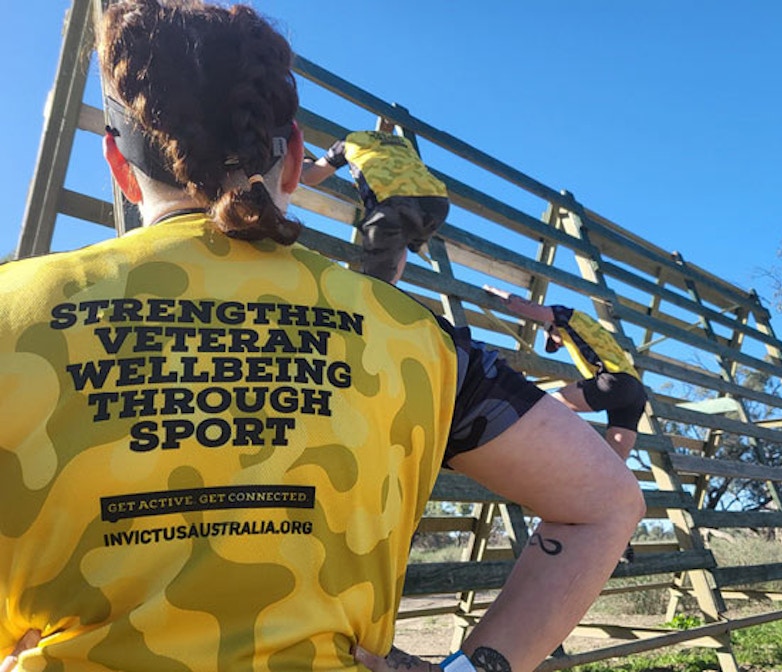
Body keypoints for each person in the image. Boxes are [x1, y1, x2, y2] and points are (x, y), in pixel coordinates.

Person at [0, 2, 644, 671]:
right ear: (293, 155)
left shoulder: (11, 311)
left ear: (116, 160)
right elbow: (605, 503)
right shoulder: (416, 339)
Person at [483, 287, 649, 462]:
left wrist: (496, 291)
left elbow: (528, 307)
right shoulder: (592, 329)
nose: (557, 346)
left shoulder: (567, 316)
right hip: (636, 393)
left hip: (614, 382)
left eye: (552, 341)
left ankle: (538, 451)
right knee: (616, 461)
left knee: (546, 405)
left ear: (552, 326)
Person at [299, 121, 449, 284]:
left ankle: (376, 297)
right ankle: (388, 292)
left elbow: (310, 177)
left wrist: (305, 161)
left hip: (393, 203)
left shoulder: (348, 142)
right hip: (437, 201)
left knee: (375, 282)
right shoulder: (403, 143)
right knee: (398, 242)